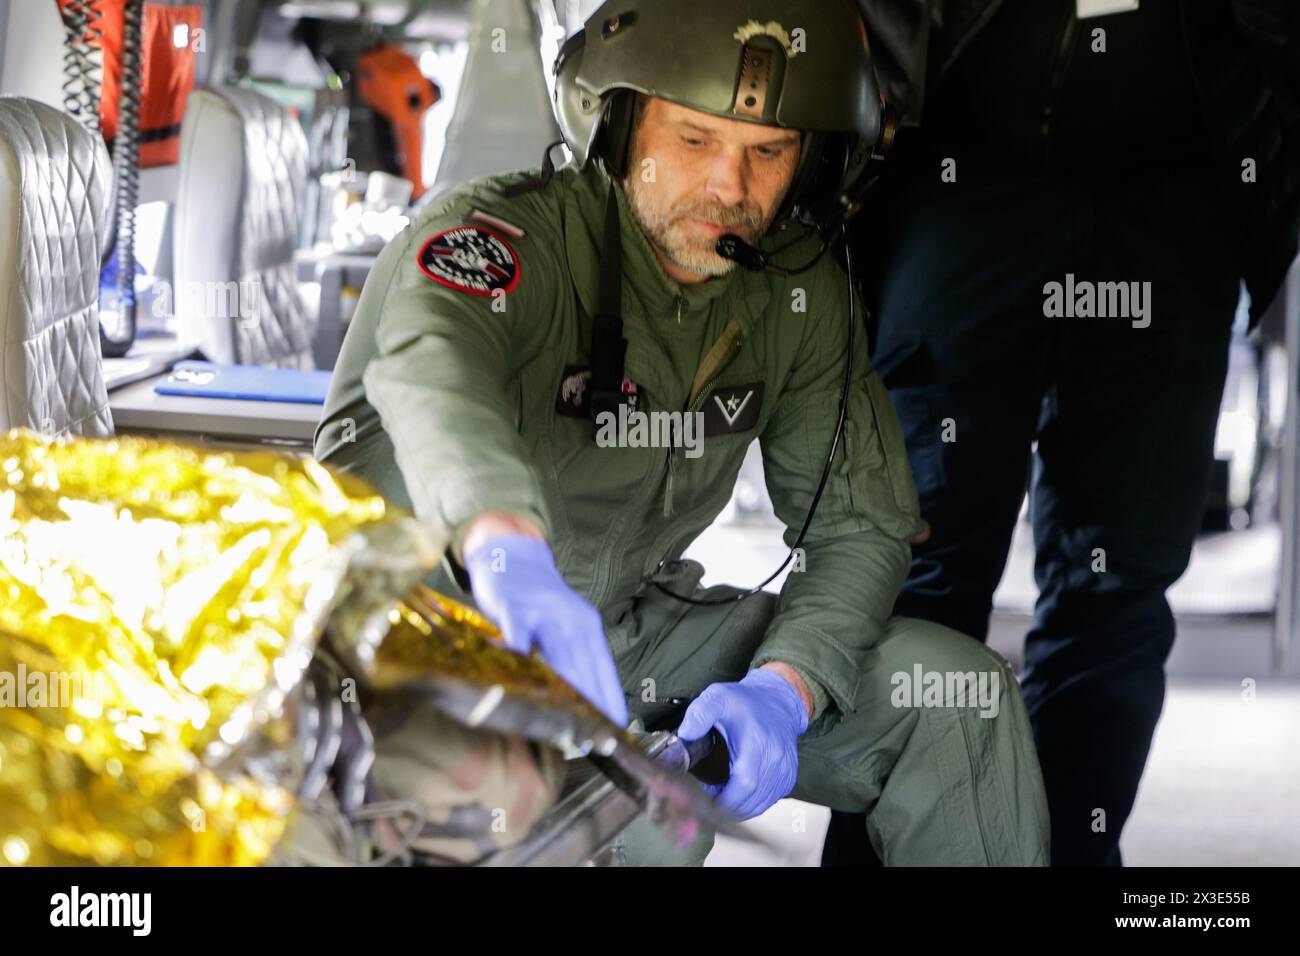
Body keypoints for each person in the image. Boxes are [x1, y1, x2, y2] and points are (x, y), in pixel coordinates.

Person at [315, 0, 1049, 865]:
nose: (731, 189)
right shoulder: (508, 239)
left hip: (623, 636)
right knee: (654, 826)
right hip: (418, 641)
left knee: (958, 701)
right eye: (695, 141)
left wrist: (788, 688)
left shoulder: (795, 293)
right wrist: (507, 554)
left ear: (812, 164)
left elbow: (859, 526)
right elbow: (431, 368)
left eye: (768, 151)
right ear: (622, 125)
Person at [823, 0, 1300, 866]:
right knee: (916, 558)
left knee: (1113, 582)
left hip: (1179, 184)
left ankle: (1065, 850)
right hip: (960, 166)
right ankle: (880, 857)